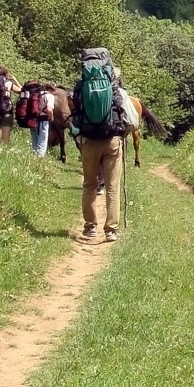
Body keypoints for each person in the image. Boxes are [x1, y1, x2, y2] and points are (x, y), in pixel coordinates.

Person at [69, 48, 128, 242]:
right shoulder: (113, 84)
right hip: (112, 141)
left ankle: (90, 228)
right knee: (112, 187)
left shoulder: (80, 86)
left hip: (89, 142)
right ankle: (111, 230)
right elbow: (122, 110)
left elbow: (75, 108)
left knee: (89, 185)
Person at [29, 85, 56, 157]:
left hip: (33, 121)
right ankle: (39, 160)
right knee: (42, 141)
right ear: (50, 89)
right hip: (43, 121)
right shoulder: (50, 96)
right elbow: (49, 109)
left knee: (34, 142)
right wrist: (52, 118)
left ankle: (33, 158)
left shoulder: (35, 95)